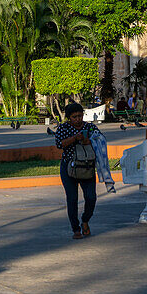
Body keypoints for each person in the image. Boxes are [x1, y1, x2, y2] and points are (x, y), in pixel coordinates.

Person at [54, 101, 105, 239]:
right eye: (74, 117)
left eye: (80, 116)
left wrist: (90, 140)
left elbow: (101, 139)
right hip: (69, 167)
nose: (77, 120)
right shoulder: (63, 128)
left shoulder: (89, 127)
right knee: (72, 199)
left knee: (91, 197)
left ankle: (85, 220)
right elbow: (59, 144)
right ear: (69, 118)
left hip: (87, 167)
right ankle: (75, 229)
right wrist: (75, 138)